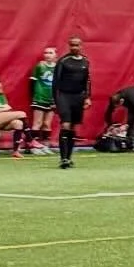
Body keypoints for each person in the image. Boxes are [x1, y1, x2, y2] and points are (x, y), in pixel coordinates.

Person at [52, 37, 91, 169]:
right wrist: (54, 100)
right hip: (64, 96)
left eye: (77, 45)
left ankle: (69, 158)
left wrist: (87, 97)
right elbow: (55, 82)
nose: (74, 47)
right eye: (72, 45)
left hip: (78, 97)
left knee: (73, 127)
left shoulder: (85, 61)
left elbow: (87, 81)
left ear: (81, 46)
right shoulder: (63, 61)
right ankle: (63, 158)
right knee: (66, 124)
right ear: (69, 46)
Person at [27, 47, 57, 153]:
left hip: (52, 99)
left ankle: (45, 145)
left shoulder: (57, 68)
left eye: (50, 53)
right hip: (40, 98)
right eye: (46, 52)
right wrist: (34, 97)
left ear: (55, 55)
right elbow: (32, 81)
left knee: (47, 124)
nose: (48, 55)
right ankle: (33, 146)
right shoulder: (40, 66)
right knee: (37, 122)